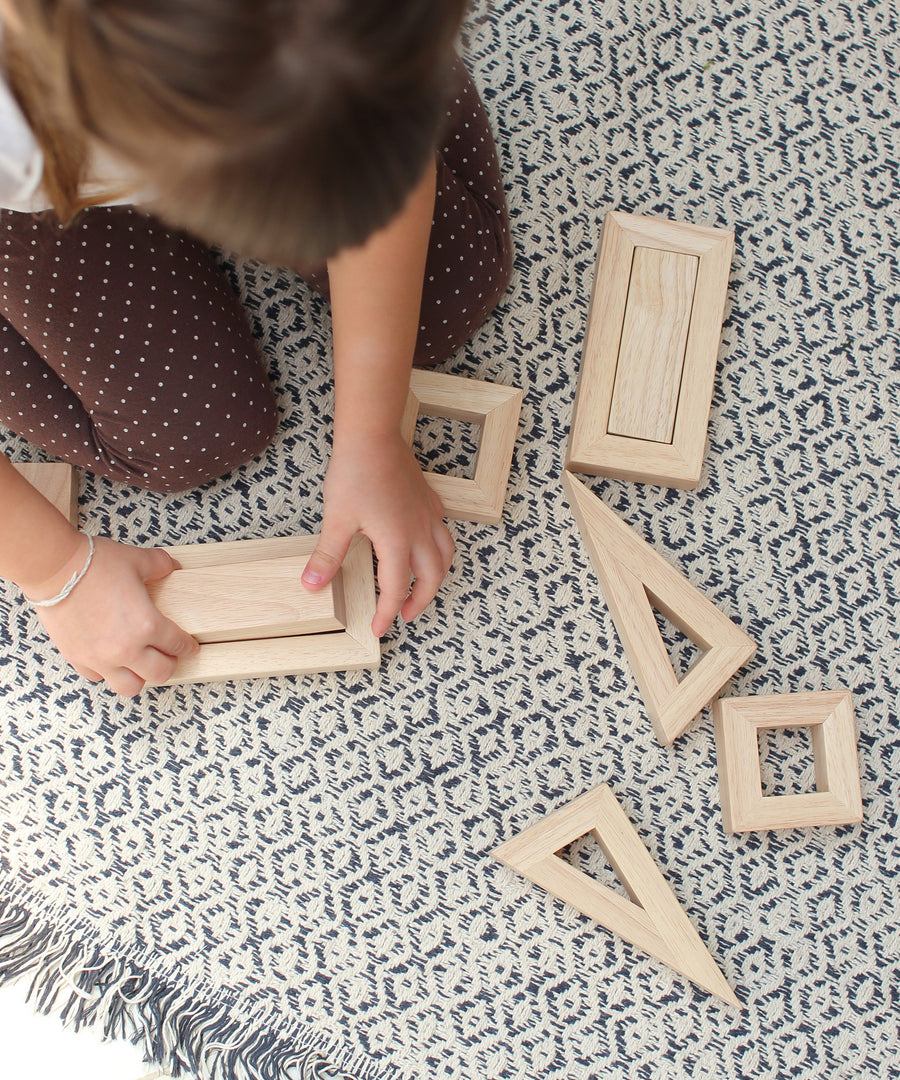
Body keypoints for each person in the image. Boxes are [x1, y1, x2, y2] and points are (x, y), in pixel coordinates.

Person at [0, 0, 513, 696]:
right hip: (34, 187)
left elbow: (375, 163)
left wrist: (372, 435)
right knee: (189, 433)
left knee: (444, 295)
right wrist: (55, 571)